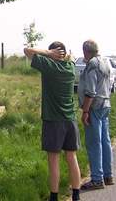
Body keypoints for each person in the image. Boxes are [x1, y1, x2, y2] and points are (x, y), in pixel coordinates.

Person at [24, 42, 81, 201]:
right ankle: (76, 196)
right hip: (70, 119)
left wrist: (48, 53)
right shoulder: (70, 67)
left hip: (53, 120)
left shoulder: (49, 67)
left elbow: (27, 50)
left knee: (53, 160)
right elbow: (73, 57)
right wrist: (65, 55)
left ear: (54, 53)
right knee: (72, 157)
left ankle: (54, 197)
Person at [78, 40, 114, 190]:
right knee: (105, 141)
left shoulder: (92, 64)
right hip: (105, 104)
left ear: (86, 51)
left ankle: (97, 179)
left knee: (94, 143)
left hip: (94, 107)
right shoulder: (105, 62)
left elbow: (91, 91)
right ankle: (108, 174)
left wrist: (85, 111)